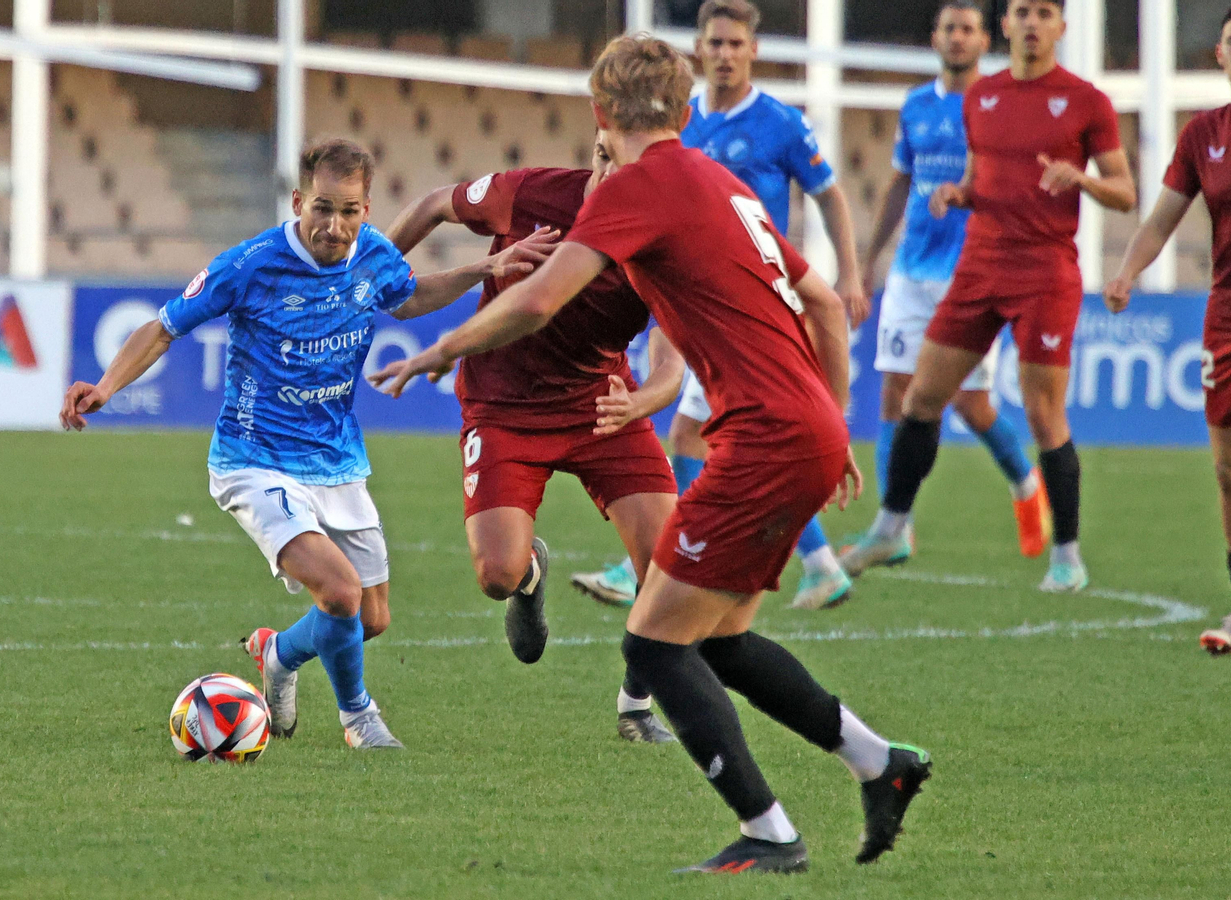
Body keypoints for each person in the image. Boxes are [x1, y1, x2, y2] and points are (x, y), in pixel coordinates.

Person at [372, 35, 930, 875]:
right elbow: (820, 299)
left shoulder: (637, 187)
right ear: (687, 109)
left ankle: (771, 835)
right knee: (722, 641)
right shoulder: (723, 182)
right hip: (800, 428)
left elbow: (539, 299)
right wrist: (836, 423)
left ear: (601, 114)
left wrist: (438, 348)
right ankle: (879, 765)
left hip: (765, 440)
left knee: (655, 648)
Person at [60, 138, 555, 749]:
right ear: (298, 201)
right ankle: (359, 719)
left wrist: (484, 269)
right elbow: (163, 327)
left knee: (370, 618)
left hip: (338, 460)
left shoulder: (371, 255)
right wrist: (107, 385)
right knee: (341, 593)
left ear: (366, 210)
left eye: (349, 211)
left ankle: (277, 654)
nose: (335, 225)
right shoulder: (251, 264)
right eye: (322, 207)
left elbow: (409, 297)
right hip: (254, 459)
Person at [571, 0, 869, 612]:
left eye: (737, 44)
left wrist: (850, 275)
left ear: (753, 51)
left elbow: (830, 195)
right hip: (696, 295)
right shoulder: (684, 127)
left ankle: (660, 562)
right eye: (716, 43)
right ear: (699, 51)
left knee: (689, 429)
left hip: (754, 300)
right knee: (697, 430)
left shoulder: (782, 123)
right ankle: (814, 564)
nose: (726, 54)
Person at [385, 136, 685, 742]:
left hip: (603, 406)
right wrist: (365, 275)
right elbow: (436, 203)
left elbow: (671, 361)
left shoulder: (663, 245)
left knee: (669, 568)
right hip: (503, 409)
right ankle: (528, 578)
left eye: (619, 165)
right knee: (496, 573)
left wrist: (641, 402)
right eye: (600, 155)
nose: (603, 171)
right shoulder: (530, 193)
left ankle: (635, 706)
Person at [839, 0, 1135, 593]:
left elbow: (1126, 193)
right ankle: (893, 526)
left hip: (1045, 272)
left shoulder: (1086, 101)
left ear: (1060, 27)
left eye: (1044, 12)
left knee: (1043, 411)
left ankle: (1067, 555)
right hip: (977, 268)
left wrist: (1082, 180)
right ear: (1007, 24)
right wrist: (959, 194)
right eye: (1022, 11)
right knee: (922, 397)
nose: (1031, 22)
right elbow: (983, 181)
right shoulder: (983, 98)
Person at [855, 0, 1047, 569]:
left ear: (984, 40)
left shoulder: (996, 104)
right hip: (913, 269)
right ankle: (897, 524)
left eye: (967, 30)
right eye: (949, 29)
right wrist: (870, 262)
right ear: (935, 38)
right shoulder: (915, 105)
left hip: (972, 270)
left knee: (968, 401)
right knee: (894, 392)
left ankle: (1024, 480)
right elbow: (898, 184)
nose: (958, 38)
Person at [1105, 3, 1231, 655]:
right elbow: (1160, 220)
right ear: (1220, 56)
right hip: (1225, 314)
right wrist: (1125, 273)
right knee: (1229, 467)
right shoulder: (1205, 134)